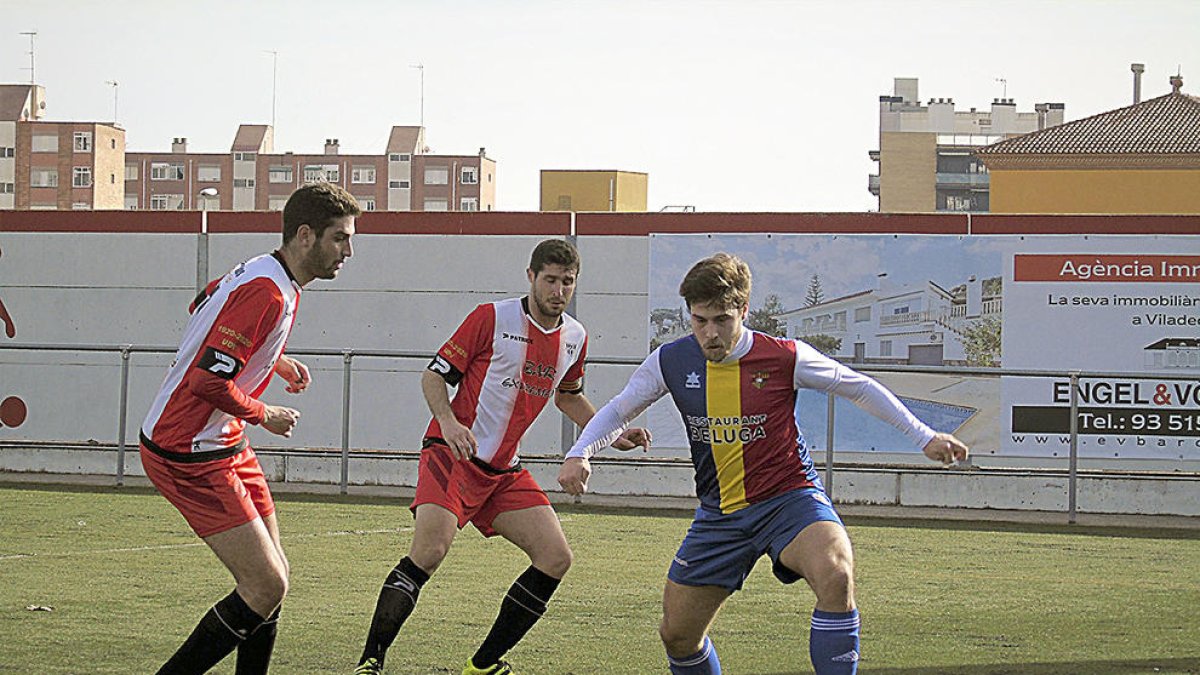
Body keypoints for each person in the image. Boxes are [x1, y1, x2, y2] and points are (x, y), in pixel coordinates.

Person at [557, 253, 968, 675]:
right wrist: (580, 453)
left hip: (789, 500)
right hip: (719, 514)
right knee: (678, 635)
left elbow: (858, 387)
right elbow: (620, 409)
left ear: (744, 312)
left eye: (722, 320)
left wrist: (926, 436)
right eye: (700, 321)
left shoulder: (784, 357)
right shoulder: (670, 361)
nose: (710, 334)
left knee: (835, 573)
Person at [354, 239, 649, 675]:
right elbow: (434, 376)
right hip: (451, 456)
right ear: (531, 277)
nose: (558, 290)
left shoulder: (574, 337)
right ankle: (370, 662)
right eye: (550, 280)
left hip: (503, 474)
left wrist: (614, 432)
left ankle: (482, 664)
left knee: (556, 557)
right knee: (431, 550)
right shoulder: (491, 317)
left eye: (567, 282)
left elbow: (569, 398)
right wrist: (449, 423)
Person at [140, 183, 359, 674]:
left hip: (221, 442)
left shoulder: (265, 272)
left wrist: (271, 360)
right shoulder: (266, 290)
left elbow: (203, 305)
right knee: (264, 585)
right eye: (340, 238)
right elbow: (204, 380)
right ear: (305, 236)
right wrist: (265, 413)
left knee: (274, 579)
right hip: (187, 449)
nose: (350, 251)